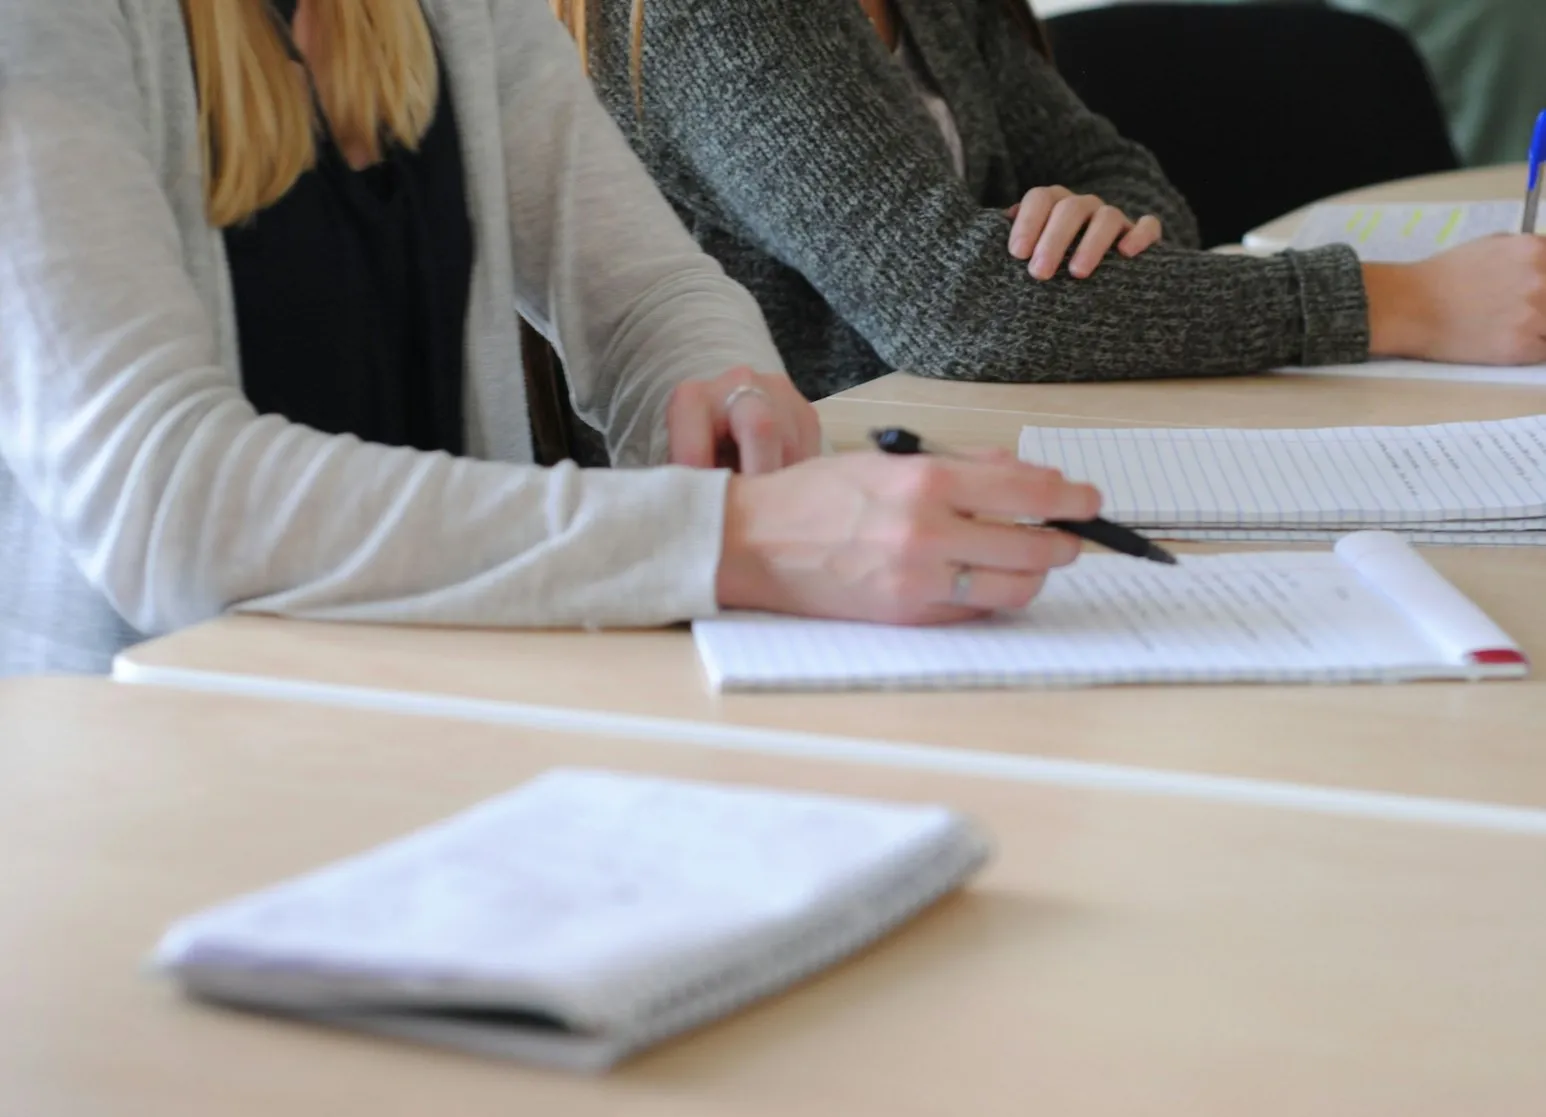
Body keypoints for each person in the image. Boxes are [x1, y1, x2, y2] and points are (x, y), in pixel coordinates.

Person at [0, 0, 1101, 677]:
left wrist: (725, 393)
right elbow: (164, 496)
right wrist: (728, 538)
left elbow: (646, 291)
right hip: (148, 780)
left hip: (439, 705)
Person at [556, 0, 1546, 401]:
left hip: (982, 437)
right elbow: (959, 309)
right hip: (816, 519)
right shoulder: (715, 12)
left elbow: (1134, 186)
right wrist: (1400, 302)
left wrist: (1102, 223)